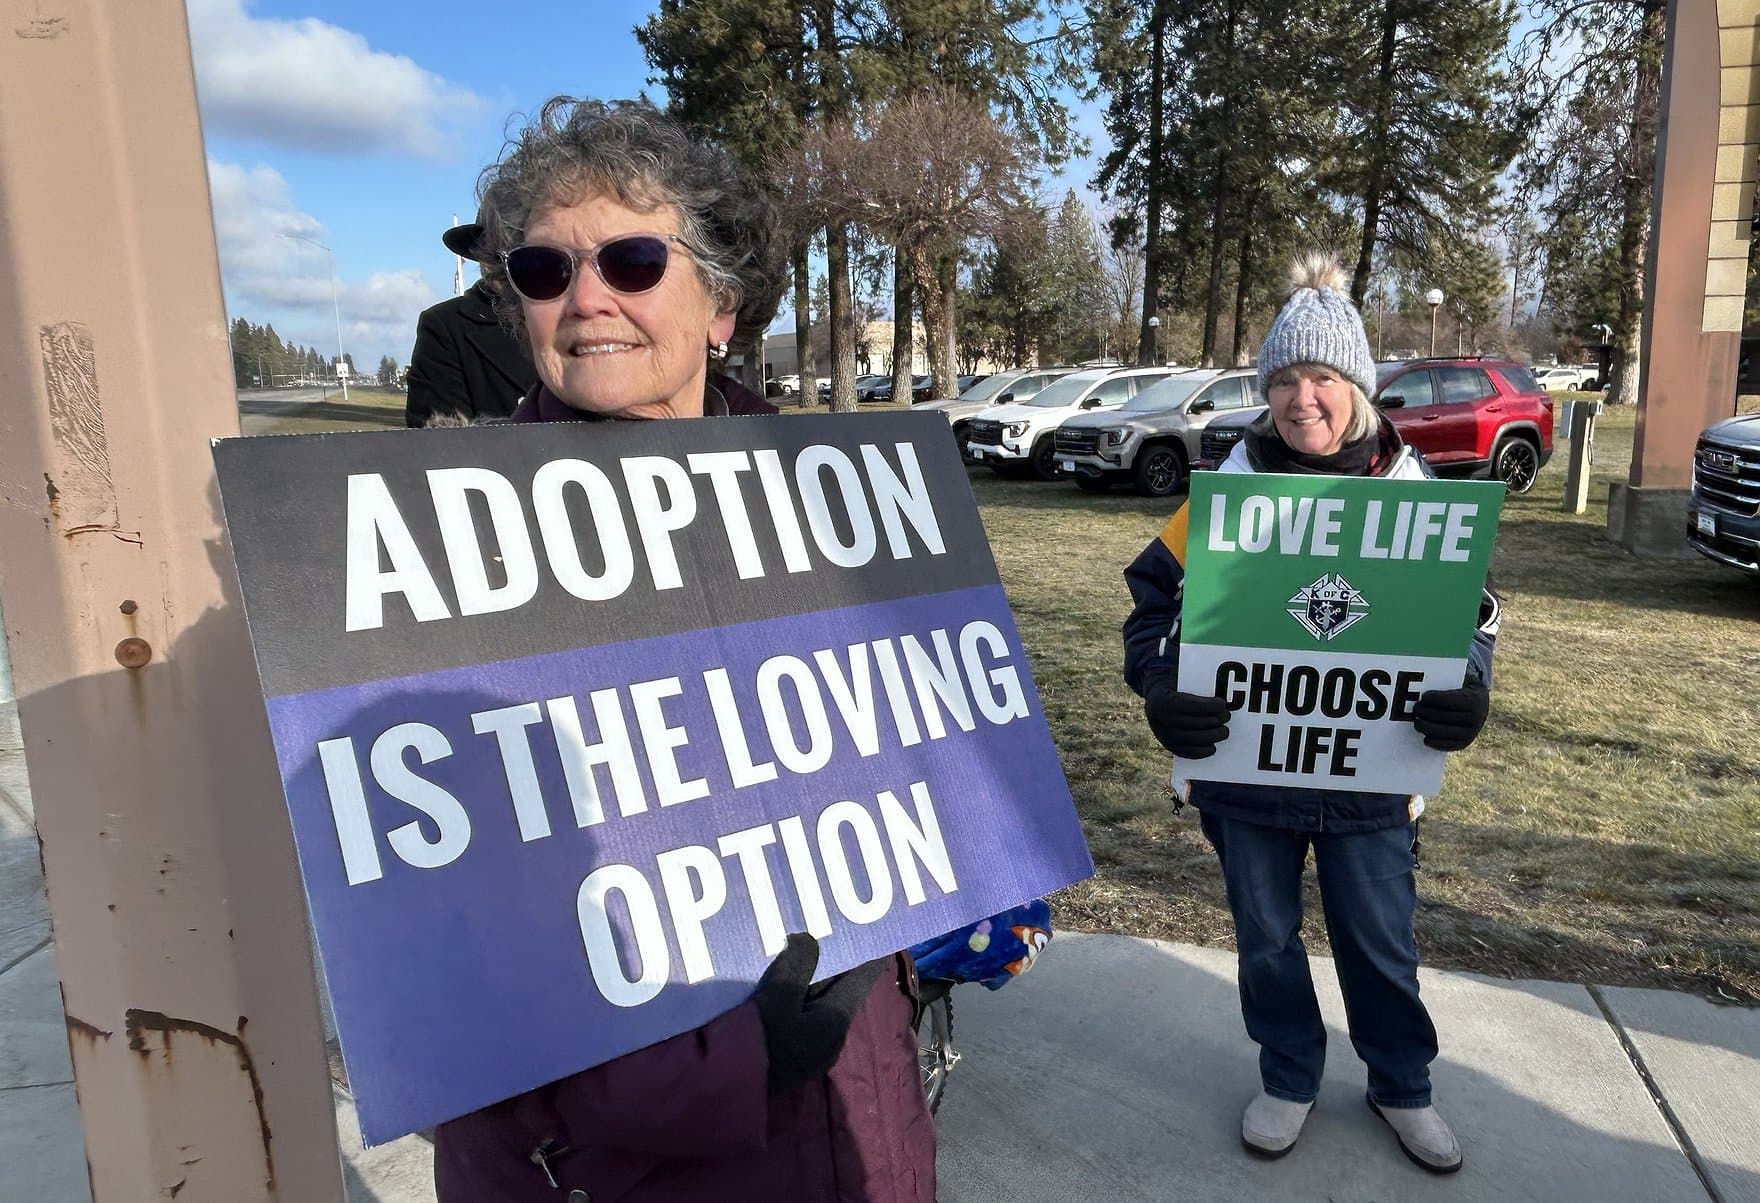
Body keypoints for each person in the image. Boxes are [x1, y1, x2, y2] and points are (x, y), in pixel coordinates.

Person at [429, 97, 936, 1203]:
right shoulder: (446, 559)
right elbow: (445, 947)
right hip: (617, 1161)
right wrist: (722, 1062)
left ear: (722, 305)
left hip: (855, 1109)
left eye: (632, 259)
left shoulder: (837, 512)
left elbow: (906, 755)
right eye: (545, 270)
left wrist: (968, 876)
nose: (586, 299)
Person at [1122, 253, 1499, 1175]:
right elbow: (1151, 606)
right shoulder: (1223, 496)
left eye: (1322, 377)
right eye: (1284, 379)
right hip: (1247, 775)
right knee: (1265, 940)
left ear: (1357, 387)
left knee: (1380, 942)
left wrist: (1470, 686)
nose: (1302, 399)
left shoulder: (1416, 493)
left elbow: (1474, 619)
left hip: (1373, 776)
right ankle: (1289, 1074)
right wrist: (1161, 686)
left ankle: (1401, 1084)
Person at [403, 211, 539, 427]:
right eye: (494, 253)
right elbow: (435, 438)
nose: (506, 264)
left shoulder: (583, 311)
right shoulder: (447, 326)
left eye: (522, 249)